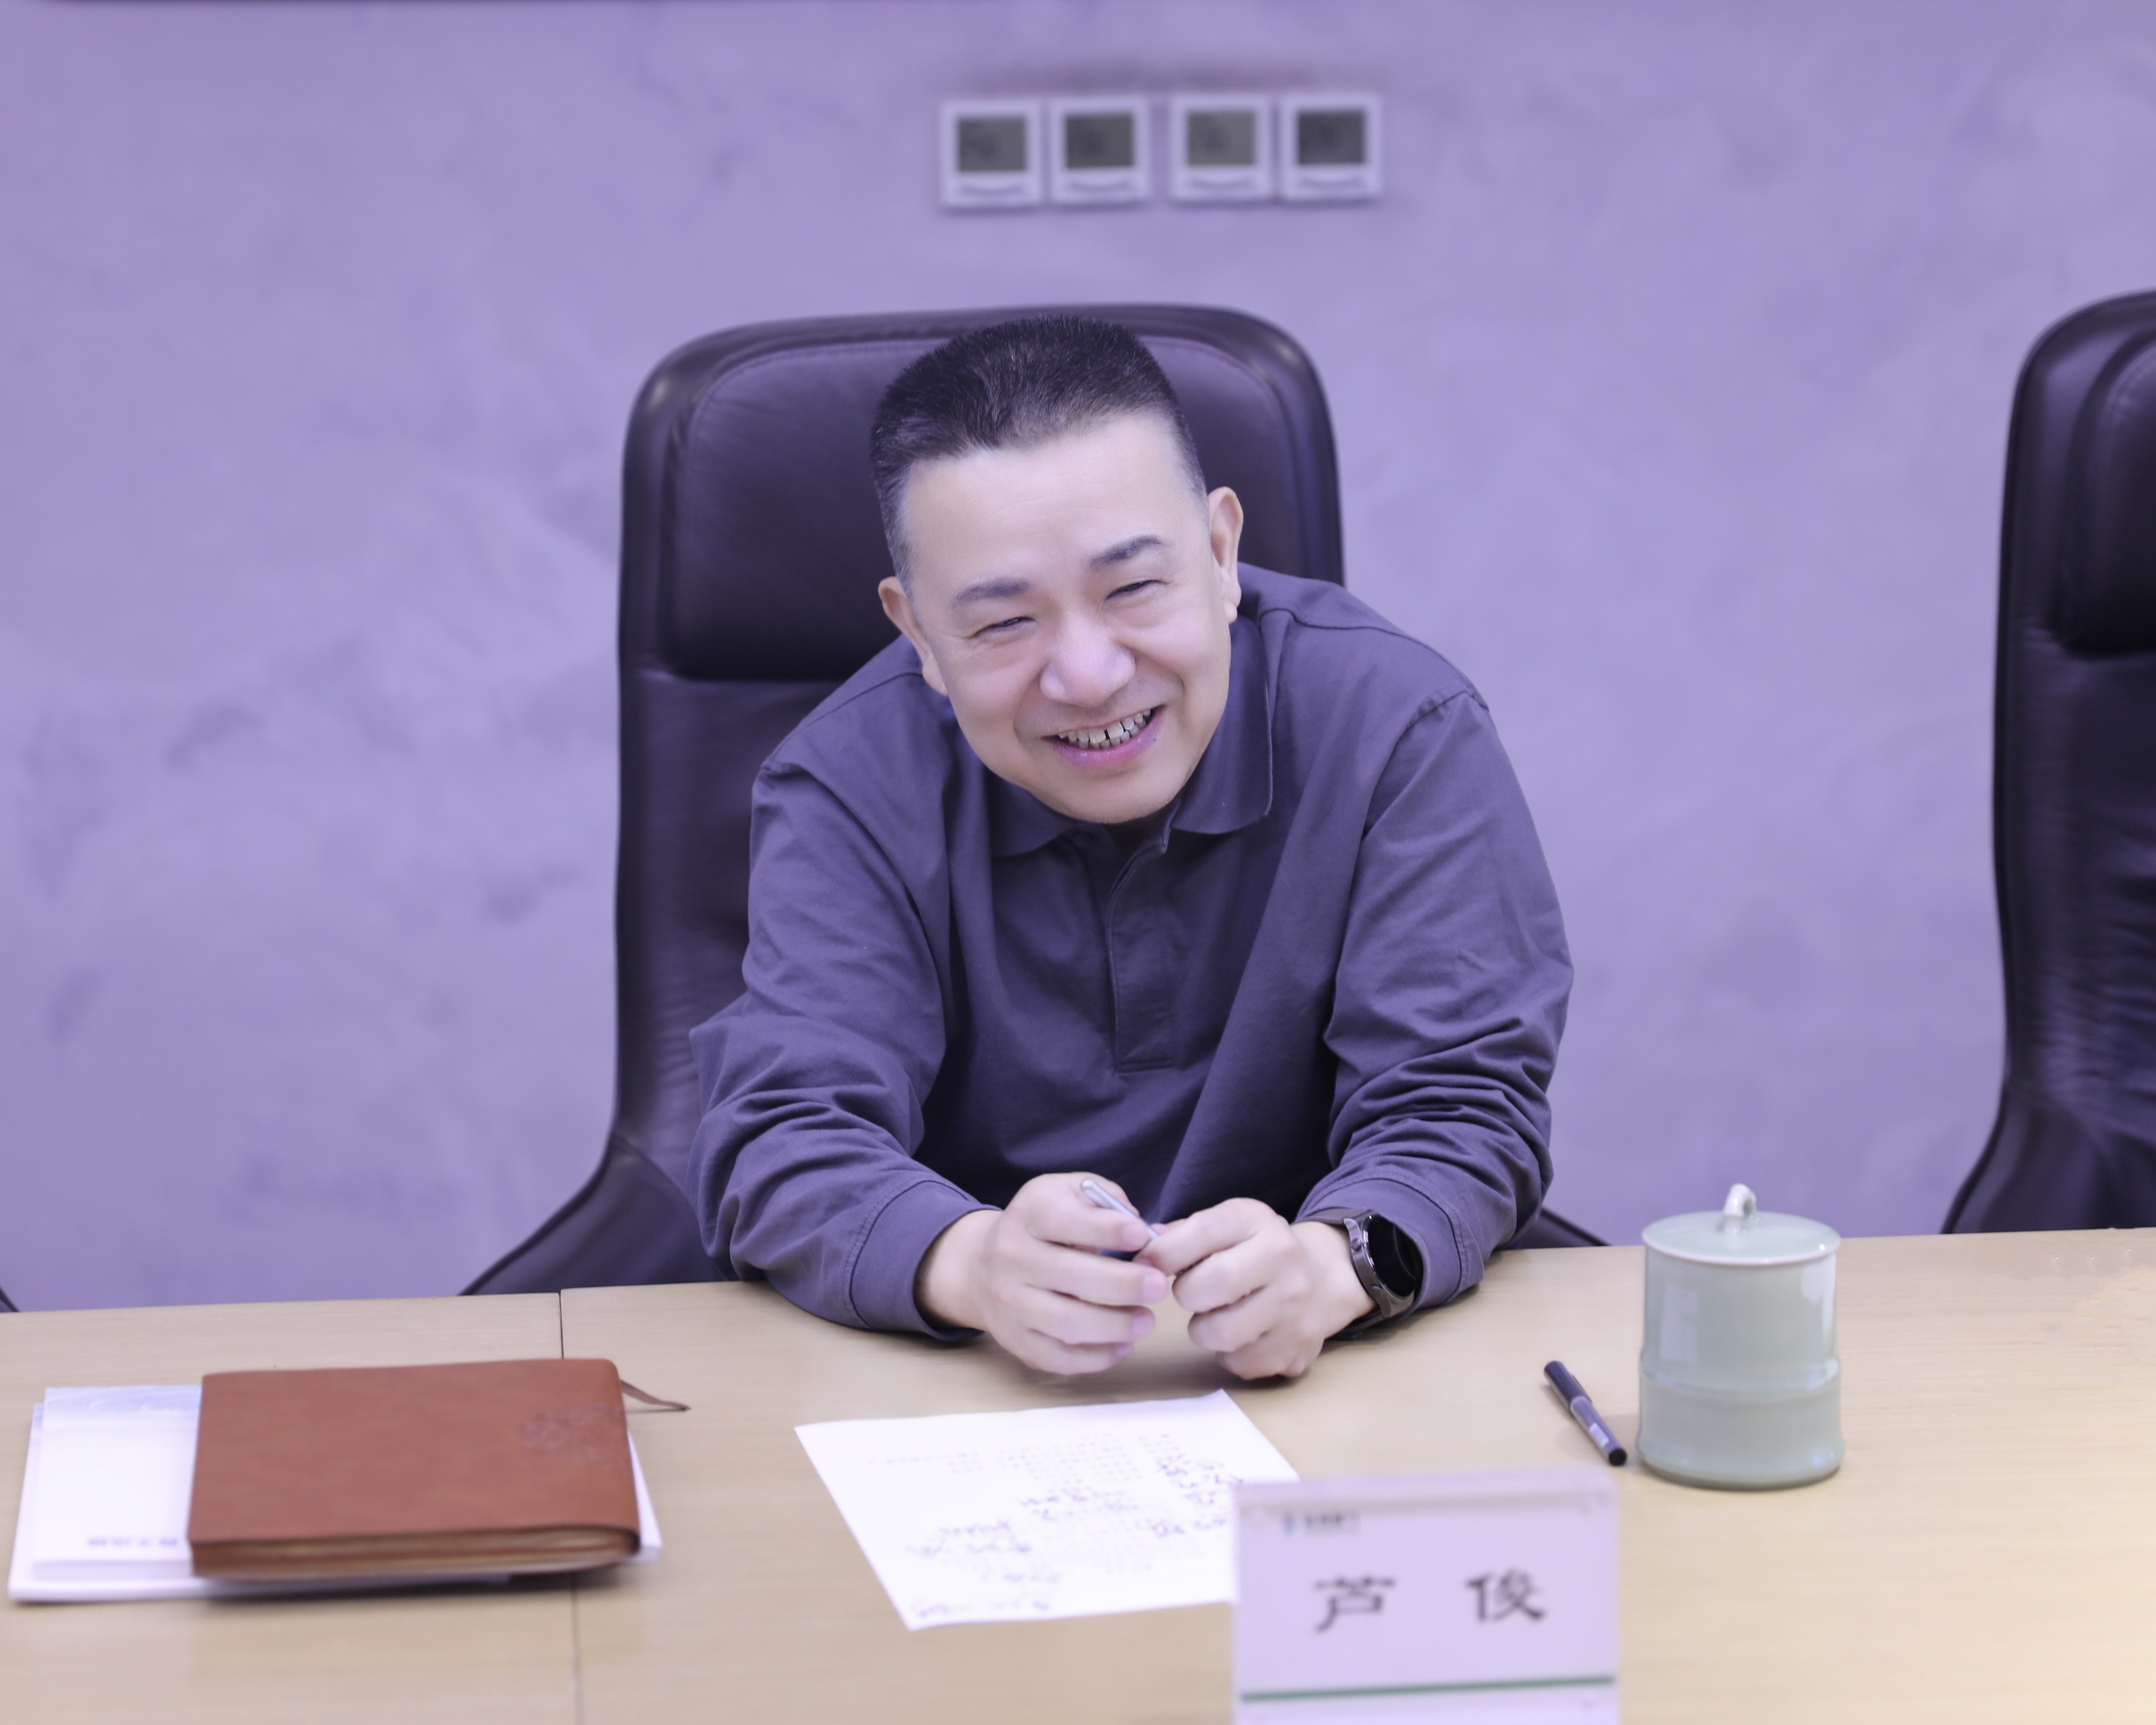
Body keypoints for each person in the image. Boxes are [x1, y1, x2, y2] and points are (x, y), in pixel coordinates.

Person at [689, 315, 1570, 1381]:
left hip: (1325, 1371)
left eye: (1133, 588)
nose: (1090, 676)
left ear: (1220, 552)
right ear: (917, 631)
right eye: (1004, 623)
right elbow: (783, 1135)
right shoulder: (846, 784)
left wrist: (1336, 1266)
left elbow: (1462, 1106)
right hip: (972, 1387)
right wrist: (973, 1265)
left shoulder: (1395, 728)